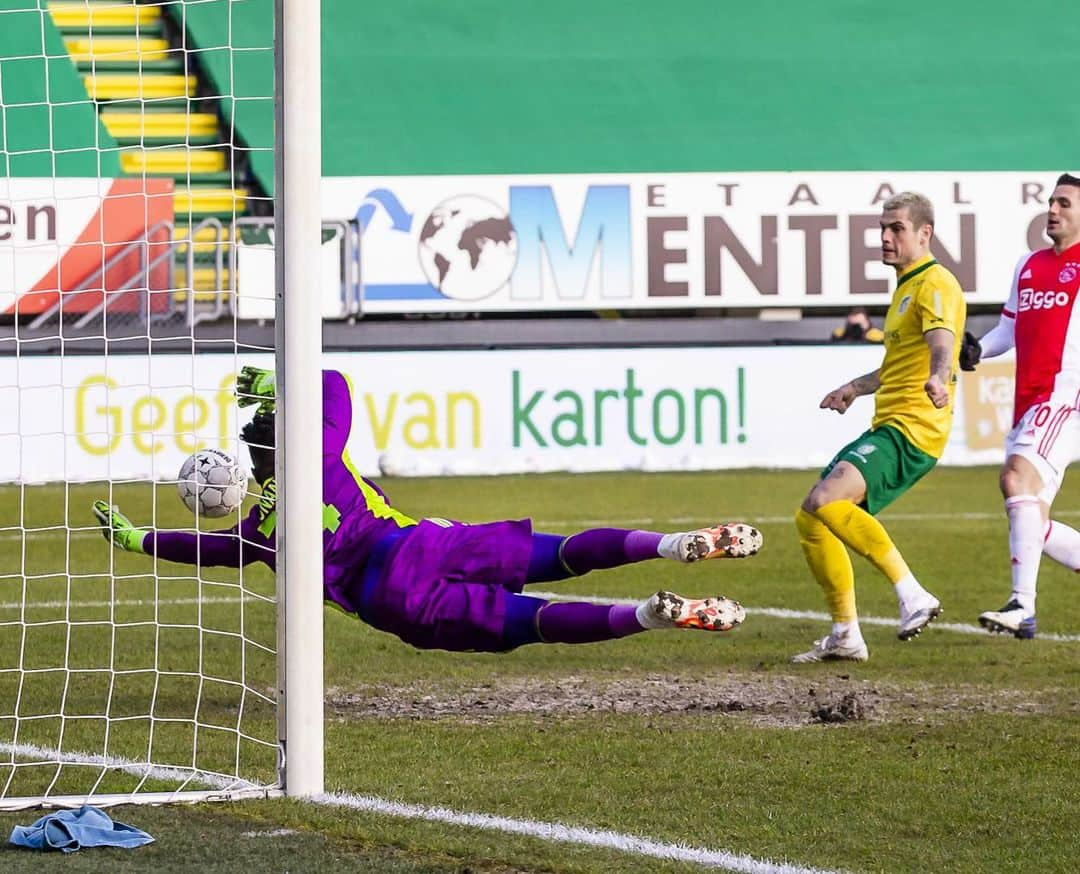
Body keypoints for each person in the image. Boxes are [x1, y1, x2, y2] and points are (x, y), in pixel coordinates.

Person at [92, 367, 764, 652]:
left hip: (389, 598)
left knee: (527, 623)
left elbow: (209, 550)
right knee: (553, 555)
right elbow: (336, 385)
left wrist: (140, 538)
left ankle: (645, 616)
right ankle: (667, 546)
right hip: (418, 546)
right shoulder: (319, 458)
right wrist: (281, 381)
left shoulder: (259, 534)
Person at [791, 191, 966, 663]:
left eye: (897, 229)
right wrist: (854, 386)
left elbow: (941, 341)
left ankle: (913, 595)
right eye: (883, 228)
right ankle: (846, 634)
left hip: (912, 430)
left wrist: (938, 373)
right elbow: (898, 364)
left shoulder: (935, 283)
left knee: (828, 500)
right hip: (890, 422)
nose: (886, 237)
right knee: (811, 516)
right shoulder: (906, 286)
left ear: (924, 233)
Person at [966, 172, 1080, 640]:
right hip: (1027, 400)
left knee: (1015, 478)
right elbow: (1008, 330)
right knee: (1033, 514)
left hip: (1064, 397)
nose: (1052, 210)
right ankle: (1021, 606)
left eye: (1065, 204)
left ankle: (1022, 607)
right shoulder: (1028, 264)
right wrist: (976, 350)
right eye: (1051, 202)